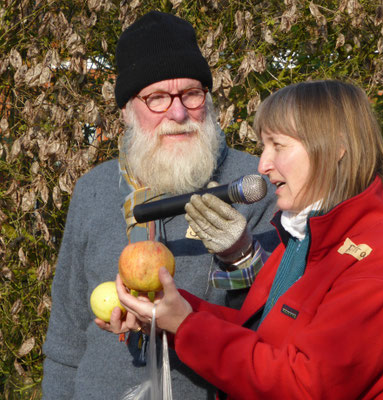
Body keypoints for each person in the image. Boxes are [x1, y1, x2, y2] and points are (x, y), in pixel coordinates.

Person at [116, 80, 383, 399]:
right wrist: (166, 311)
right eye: (263, 147)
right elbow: (255, 334)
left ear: (337, 147)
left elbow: (303, 386)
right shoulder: (304, 235)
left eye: (278, 146)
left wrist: (187, 325)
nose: (263, 165)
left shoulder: (380, 262)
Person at [41, 11, 279, 400]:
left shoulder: (250, 184)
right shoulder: (94, 189)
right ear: (127, 109)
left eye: (191, 93)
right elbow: (66, 340)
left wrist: (243, 257)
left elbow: (277, 325)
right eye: (157, 98)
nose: (179, 113)